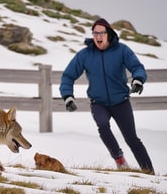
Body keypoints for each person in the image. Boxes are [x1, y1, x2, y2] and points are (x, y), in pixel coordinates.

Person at [59, 18, 155, 175]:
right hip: (99, 103)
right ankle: (120, 160)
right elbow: (68, 76)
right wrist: (68, 96)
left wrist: (138, 79)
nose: (98, 36)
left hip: (121, 102)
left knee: (131, 138)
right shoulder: (85, 54)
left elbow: (136, 67)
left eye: (101, 32)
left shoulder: (122, 50)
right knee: (102, 125)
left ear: (108, 34)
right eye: (95, 33)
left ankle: (150, 173)